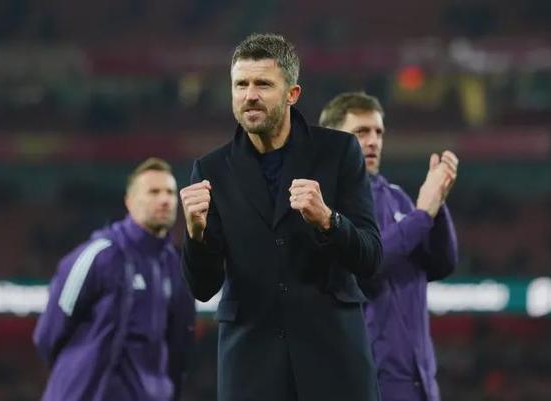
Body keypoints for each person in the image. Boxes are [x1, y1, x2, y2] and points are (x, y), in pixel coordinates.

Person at [179, 33, 382, 401]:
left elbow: (370, 258)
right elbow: (203, 287)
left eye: (263, 84)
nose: (249, 95)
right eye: (240, 84)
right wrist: (196, 235)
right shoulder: (211, 170)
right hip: (252, 368)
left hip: (333, 361)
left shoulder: (338, 151)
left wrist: (329, 221)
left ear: (292, 93)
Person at [319, 92, 458, 401]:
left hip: (421, 381)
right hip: (370, 383)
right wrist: (422, 215)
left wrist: (437, 205)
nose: (373, 142)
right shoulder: (327, 206)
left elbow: (442, 263)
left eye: (378, 132)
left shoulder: (395, 197)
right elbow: (367, 265)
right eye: (361, 132)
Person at [33, 157, 196, 401]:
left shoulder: (176, 267)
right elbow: (48, 334)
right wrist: (76, 375)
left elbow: (178, 345)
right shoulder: (100, 256)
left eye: (170, 192)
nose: (165, 200)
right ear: (129, 201)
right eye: (153, 192)